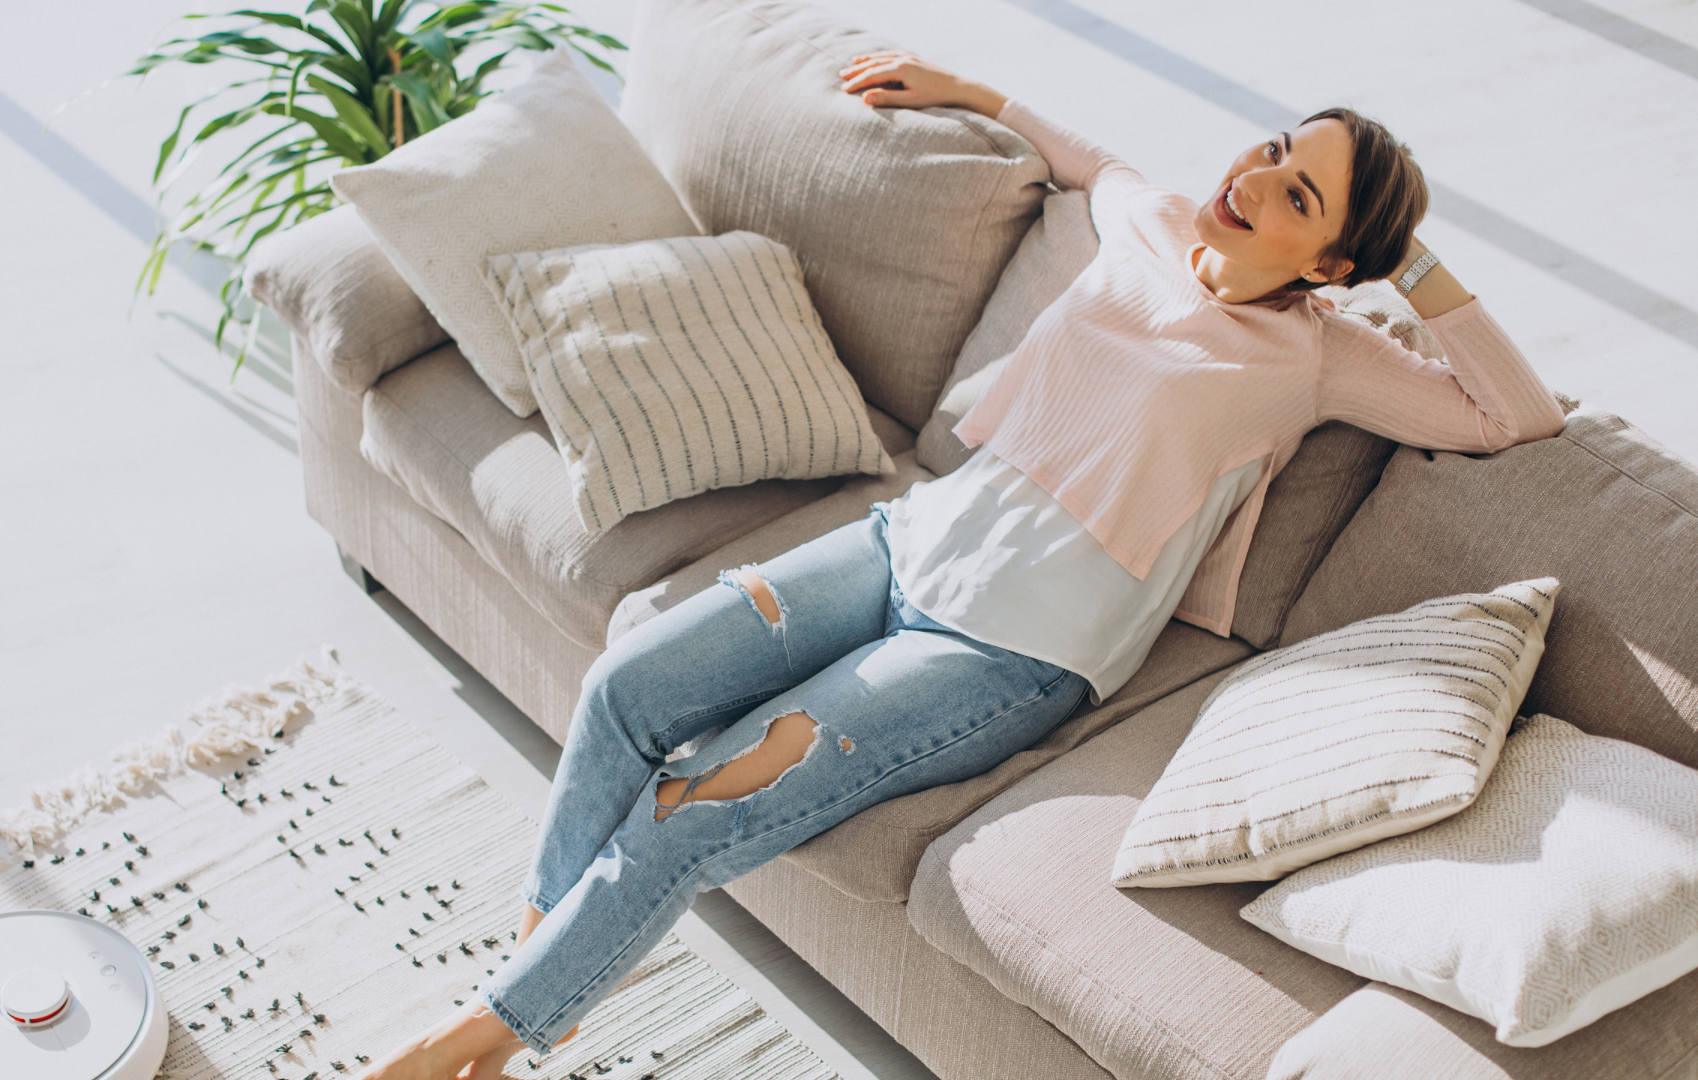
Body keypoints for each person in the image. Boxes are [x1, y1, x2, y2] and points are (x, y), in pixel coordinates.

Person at [362, 52, 1566, 1080]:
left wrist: (1411, 267)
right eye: (1267, 150)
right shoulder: (1152, 222)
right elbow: (1088, 159)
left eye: (1298, 193)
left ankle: (473, 1041)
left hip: (1007, 650)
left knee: (693, 804)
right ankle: (532, 996)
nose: (1252, 180)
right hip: (905, 544)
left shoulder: (1320, 354)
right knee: (628, 688)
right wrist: (967, 91)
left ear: (1331, 262)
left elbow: (1512, 417)